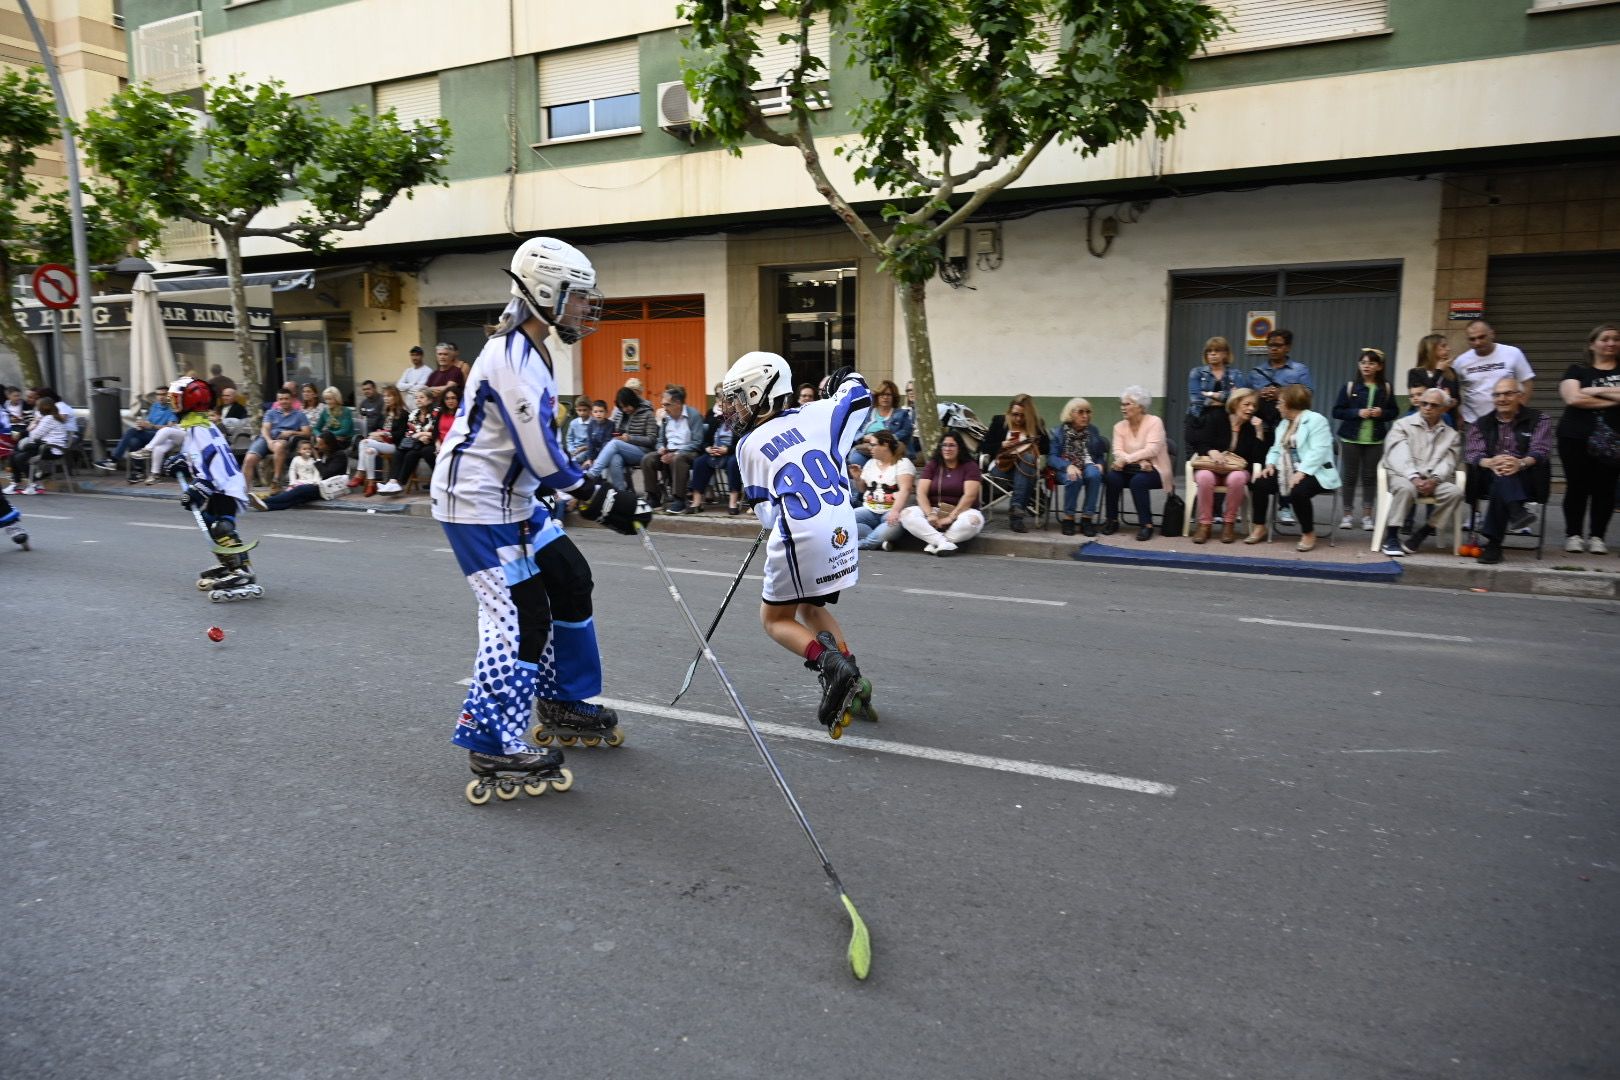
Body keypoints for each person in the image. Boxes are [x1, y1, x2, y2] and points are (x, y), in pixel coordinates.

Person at [432, 236, 648, 802]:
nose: (585, 309)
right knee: (519, 616)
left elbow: (541, 452)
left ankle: (561, 700)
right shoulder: (510, 358)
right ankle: (493, 739)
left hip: (518, 501)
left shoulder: (537, 350)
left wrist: (592, 496)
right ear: (546, 293)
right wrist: (600, 498)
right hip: (476, 506)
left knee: (571, 578)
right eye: (578, 299)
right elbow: (540, 454)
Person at [723, 351, 874, 736]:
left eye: (739, 397)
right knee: (810, 603)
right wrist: (843, 377)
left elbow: (768, 517)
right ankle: (851, 673)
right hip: (842, 525)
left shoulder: (748, 445)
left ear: (760, 393)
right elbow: (859, 396)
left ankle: (830, 665)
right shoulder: (820, 413)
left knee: (774, 619)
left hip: (801, 534)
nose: (733, 407)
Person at [162, 377, 266, 599]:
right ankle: (233, 565)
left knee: (221, 527)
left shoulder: (199, 428)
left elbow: (212, 461)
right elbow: (196, 457)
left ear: (188, 402)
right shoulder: (199, 426)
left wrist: (198, 489)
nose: (171, 404)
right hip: (221, 485)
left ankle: (240, 572)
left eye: (175, 400)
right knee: (211, 524)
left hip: (224, 485)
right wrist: (181, 461)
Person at [1465, 377, 1553, 565]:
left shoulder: (1539, 419)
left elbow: (1541, 450)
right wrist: (1491, 462)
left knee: (1503, 478)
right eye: (1497, 394)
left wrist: (1519, 463)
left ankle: (1493, 545)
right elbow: (1473, 454)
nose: (1502, 398)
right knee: (1501, 475)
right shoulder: (1481, 423)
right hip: (1489, 476)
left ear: (1520, 396)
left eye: (1508, 393)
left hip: (1527, 477)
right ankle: (1517, 512)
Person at [1247, 384, 1341, 552]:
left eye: (1280, 402)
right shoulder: (1283, 424)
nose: (1277, 406)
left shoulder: (1317, 420)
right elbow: (1276, 449)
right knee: (1260, 482)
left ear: (1291, 403)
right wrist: (1269, 465)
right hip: (1287, 469)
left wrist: (1302, 472)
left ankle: (1308, 533)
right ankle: (1260, 526)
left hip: (1316, 471)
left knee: (1298, 490)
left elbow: (1319, 451)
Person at [1555, 323, 1620, 555]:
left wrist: (1591, 391)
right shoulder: (1576, 370)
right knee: (1577, 487)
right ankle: (1573, 535)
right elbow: (1573, 398)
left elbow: (1582, 395)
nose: (1611, 343)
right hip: (1575, 436)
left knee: (1606, 488)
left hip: (1614, 439)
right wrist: (1614, 398)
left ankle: (1597, 537)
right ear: (1593, 344)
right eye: (1605, 338)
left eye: (1616, 339)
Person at [1378, 388, 1464, 557]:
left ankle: (1422, 533)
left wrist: (1435, 480)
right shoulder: (1402, 425)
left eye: (1434, 405)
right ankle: (1392, 536)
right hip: (1403, 475)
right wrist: (1414, 477)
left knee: (1455, 492)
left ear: (1444, 409)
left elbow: (1449, 461)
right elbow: (1398, 454)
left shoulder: (1451, 435)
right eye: (1424, 403)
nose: (1427, 408)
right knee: (1406, 488)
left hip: (1432, 480)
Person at [1189, 387, 1269, 545]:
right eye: (1247, 404)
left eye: (1253, 406)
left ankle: (1229, 523)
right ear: (1235, 403)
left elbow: (1257, 457)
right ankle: (1204, 524)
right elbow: (1199, 441)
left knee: (1237, 478)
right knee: (1204, 477)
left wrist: (1259, 432)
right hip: (1212, 467)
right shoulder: (1216, 417)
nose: (1251, 409)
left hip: (1237, 470)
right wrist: (1211, 451)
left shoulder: (1251, 427)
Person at [1331, 348, 1396, 531]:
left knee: (1370, 477)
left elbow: (1394, 411)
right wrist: (1357, 412)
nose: (1366, 366)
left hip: (1375, 440)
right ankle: (1347, 515)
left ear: (1379, 367)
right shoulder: (1350, 387)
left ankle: (1367, 516)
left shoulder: (1386, 388)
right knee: (1350, 476)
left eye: (1371, 363)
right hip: (1351, 438)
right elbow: (1337, 411)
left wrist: (1381, 413)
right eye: (1363, 362)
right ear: (1359, 365)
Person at [1102, 386, 1173, 541]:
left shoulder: (1155, 422)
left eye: (1127, 404)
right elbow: (1117, 450)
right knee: (1112, 478)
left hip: (1155, 468)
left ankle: (1146, 525)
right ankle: (1111, 520)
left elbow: (1152, 450)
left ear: (1140, 406)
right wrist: (1139, 460)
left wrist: (1127, 459)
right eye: (1122, 404)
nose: (1123, 408)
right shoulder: (1119, 426)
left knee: (1138, 481)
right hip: (1129, 468)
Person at [899, 432, 985, 554]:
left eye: (951, 445)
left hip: (963, 511)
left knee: (972, 522)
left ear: (959, 448)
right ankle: (942, 543)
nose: (947, 449)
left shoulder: (970, 466)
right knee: (906, 514)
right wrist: (930, 514)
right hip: (934, 509)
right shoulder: (933, 465)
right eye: (944, 445)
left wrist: (951, 517)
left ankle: (934, 543)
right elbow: (921, 493)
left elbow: (969, 496)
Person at [979, 393, 1050, 533]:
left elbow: (1047, 448)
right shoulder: (1000, 421)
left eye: (1022, 416)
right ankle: (1017, 516)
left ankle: (1016, 512)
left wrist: (1033, 442)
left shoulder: (1036, 424)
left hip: (1025, 468)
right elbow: (984, 447)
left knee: (1028, 458)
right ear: (1009, 412)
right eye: (1014, 414)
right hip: (1001, 468)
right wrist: (1002, 444)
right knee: (1027, 471)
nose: (1018, 418)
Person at [1455, 320, 1534, 426]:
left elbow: (1527, 382)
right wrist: (1458, 415)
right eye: (1472, 339)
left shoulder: (1513, 353)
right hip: (1474, 422)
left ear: (1492, 334)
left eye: (1481, 337)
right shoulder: (1460, 362)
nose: (1477, 342)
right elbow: (1453, 389)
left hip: (1508, 420)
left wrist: (1519, 410)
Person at [1050, 398, 1109, 537]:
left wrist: (1100, 464)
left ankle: (1087, 519)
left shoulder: (1093, 430)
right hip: (1065, 467)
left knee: (1094, 475)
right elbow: (1052, 458)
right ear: (1070, 414)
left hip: (1087, 463)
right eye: (1081, 412)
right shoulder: (1057, 432)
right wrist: (1068, 466)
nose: (1085, 416)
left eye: (1088, 412)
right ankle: (1068, 518)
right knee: (1074, 477)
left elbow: (1099, 454)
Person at [641, 384, 705, 512]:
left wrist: (676, 453)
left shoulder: (693, 415)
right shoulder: (666, 418)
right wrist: (661, 449)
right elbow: (659, 441)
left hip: (688, 452)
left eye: (667, 404)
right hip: (669, 451)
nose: (664, 408)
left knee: (678, 459)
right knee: (647, 459)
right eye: (663, 404)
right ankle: (654, 498)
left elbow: (698, 441)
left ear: (678, 403)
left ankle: (679, 500)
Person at [682, 388, 742, 515]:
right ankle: (697, 502)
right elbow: (705, 441)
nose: (720, 408)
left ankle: (733, 501)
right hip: (714, 452)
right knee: (699, 462)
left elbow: (742, 443)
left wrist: (727, 449)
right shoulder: (715, 420)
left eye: (723, 405)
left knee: (733, 463)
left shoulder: (741, 421)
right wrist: (708, 448)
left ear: (732, 405)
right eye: (719, 405)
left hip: (732, 452)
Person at [853, 430, 914, 550]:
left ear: (885, 445)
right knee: (845, 520)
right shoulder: (870, 463)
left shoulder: (903, 463)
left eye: (873, 444)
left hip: (890, 512)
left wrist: (895, 511)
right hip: (869, 510)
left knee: (893, 524)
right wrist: (857, 478)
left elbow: (905, 490)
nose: (869, 448)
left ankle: (863, 544)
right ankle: (880, 541)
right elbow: (862, 489)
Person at [588, 386, 656, 490]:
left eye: (626, 406)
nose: (625, 409)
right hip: (624, 449)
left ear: (633, 402)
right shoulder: (621, 413)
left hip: (643, 452)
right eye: (621, 407)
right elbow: (614, 429)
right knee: (615, 458)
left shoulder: (647, 413)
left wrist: (630, 438)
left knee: (615, 444)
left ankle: (592, 474)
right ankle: (621, 494)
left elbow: (652, 440)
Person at [242, 388, 310, 492]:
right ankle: (245, 491)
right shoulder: (271, 413)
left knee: (279, 446)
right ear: (277, 400)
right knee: (249, 459)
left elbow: (307, 433)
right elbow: (265, 429)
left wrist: (292, 432)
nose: (283, 401)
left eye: (286, 398)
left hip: (283, 440)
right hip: (266, 439)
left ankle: (276, 480)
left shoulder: (299, 415)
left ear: (291, 399)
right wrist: (269, 441)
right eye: (281, 399)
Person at [95, 384, 175, 470]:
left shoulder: (173, 408)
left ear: (168, 395)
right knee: (134, 441)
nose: (160, 397)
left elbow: (170, 429)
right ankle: (139, 469)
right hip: (149, 435)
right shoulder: (155, 406)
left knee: (131, 431)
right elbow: (149, 421)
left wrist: (152, 426)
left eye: (163, 394)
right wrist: (142, 425)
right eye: (158, 394)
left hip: (161, 437)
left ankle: (114, 460)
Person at [261, 433, 349, 510]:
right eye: (317, 443)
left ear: (329, 445)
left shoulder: (339, 455)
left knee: (299, 490)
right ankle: (268, 506)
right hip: (319, 485)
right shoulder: (325, 452)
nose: (317, 446)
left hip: (327, 486)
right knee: (297, 499)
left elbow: (326, 473)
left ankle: (264, 501)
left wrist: (317, 458)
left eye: (320, 444)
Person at [4, 396, 71, 495]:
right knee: (14, 454)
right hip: (46, 447)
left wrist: (35, 423)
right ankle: (16, 483)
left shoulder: (49, 419)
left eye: (38, 407)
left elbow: (34, 436)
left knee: (19, 457)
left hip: (52, 449)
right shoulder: (51, 417)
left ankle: (34, 483)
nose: (37, 409)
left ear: (44, 407)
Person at [1248, 328, 1314, 427]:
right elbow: (1245, 397)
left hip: (1290, 425)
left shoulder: (1300, 370)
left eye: (1278, 345)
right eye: (1270, 345)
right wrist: (1260, 393)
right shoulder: (1256, 372)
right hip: (1260, 427)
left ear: (1288, 348)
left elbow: (1307, 395)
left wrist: (1281, 393)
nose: (1273, 349)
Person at [846, 380, 914, 474]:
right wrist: (864, 437)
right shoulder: (867, 413)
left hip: (889, 450)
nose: (885, 397)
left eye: (888, 395)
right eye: (882, 394)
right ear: (877, 397)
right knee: (855, 459)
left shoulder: (901, 414)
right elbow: (853, 430)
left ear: (893, 397)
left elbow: (906, 431)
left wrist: (885, 439)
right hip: (866, 448)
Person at [377, 389, 438, 494]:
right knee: (400, 452)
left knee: (420, 452)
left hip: (433, 443)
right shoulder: (414, 414)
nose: (418, 400)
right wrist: (419, 437)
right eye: (416, 397)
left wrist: (421, 434)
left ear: (430, 400)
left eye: (421, 397)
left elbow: (438, 431)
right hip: (418, 443)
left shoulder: (436, 413)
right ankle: (393, 482)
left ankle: (399, 483)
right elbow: (409, 433)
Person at [1185, 335, 1240, 445]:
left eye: (1217, 350)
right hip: (1198, 419)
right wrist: (1225, 398)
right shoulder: (1196, 372)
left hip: (1225, 423)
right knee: (1196, 459)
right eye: (1209, 351)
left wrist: (1209, 394)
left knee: (1222, 458)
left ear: (1225, 353)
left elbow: (1237, 400)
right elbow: (1196, 399)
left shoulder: (1236, 374)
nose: (1212, 354)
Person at [354, 385, 408, 495]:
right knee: (368, 451)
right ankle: (371, 484)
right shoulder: (384, 413)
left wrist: (384, 434)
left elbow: (400, 434)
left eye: (389, 396)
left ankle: (360, 474)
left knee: (364, 442)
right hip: (379, 443)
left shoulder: (403, 414)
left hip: (394, 446)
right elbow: (373, 429)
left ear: (396, 397)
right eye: (384, 396)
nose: (386, 398)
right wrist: (375, 435)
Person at [1406, 333, 1460, 424]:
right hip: (1422, 422)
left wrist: (1453, 402)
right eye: (1443, 346)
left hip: (1447, 421)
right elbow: (1422, 396)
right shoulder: (1415, 373)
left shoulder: (1451, 372)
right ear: (1431, 350)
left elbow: (1457, 398)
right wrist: (1438, 371)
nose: (1448, 349)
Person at [564, 394, 594, 466]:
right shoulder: (573, 423)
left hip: (587, 450)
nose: (582, 413)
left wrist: (584, 448)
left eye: (584, 410)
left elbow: (594, 442)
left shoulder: (594, 423)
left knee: (578, 458)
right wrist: (571, 450)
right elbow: (569, 438)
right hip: (575, 450)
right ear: (576, 410)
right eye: (579, 410)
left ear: (590, 409)